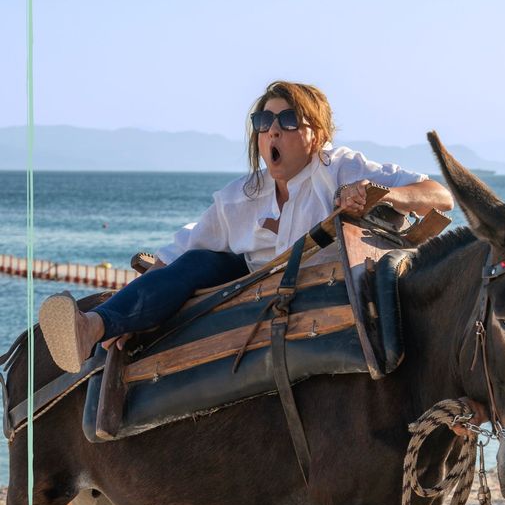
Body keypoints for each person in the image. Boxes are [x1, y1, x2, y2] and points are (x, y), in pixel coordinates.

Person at [39, 80, 452, 373]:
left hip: (324, 296)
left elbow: (439, 195)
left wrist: (380, 192)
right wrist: (125, 314)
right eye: (264, 121)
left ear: (317, 134)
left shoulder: (340, 167)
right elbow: (177, 255)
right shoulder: (241, 195)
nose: (273, 129)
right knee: (197, 263)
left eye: (289, 120)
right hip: (255, 292)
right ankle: (92, 327)